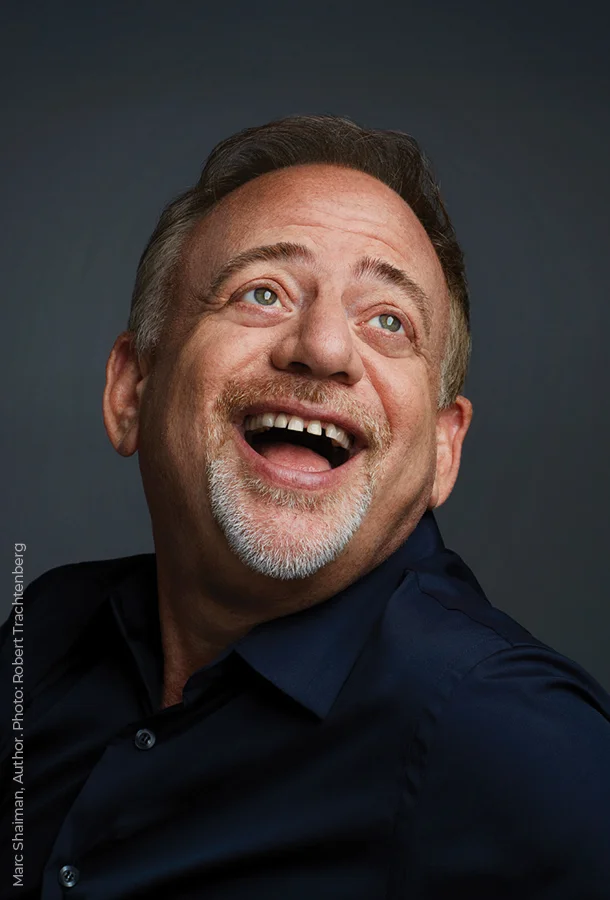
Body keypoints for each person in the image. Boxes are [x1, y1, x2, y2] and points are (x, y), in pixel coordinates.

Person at [1, 114, 609, 899]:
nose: (322, 348)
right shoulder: (49, 631)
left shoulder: (515, 737)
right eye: (263, 293)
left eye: (389, 321)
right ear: (131, 391)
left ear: (444, 451)